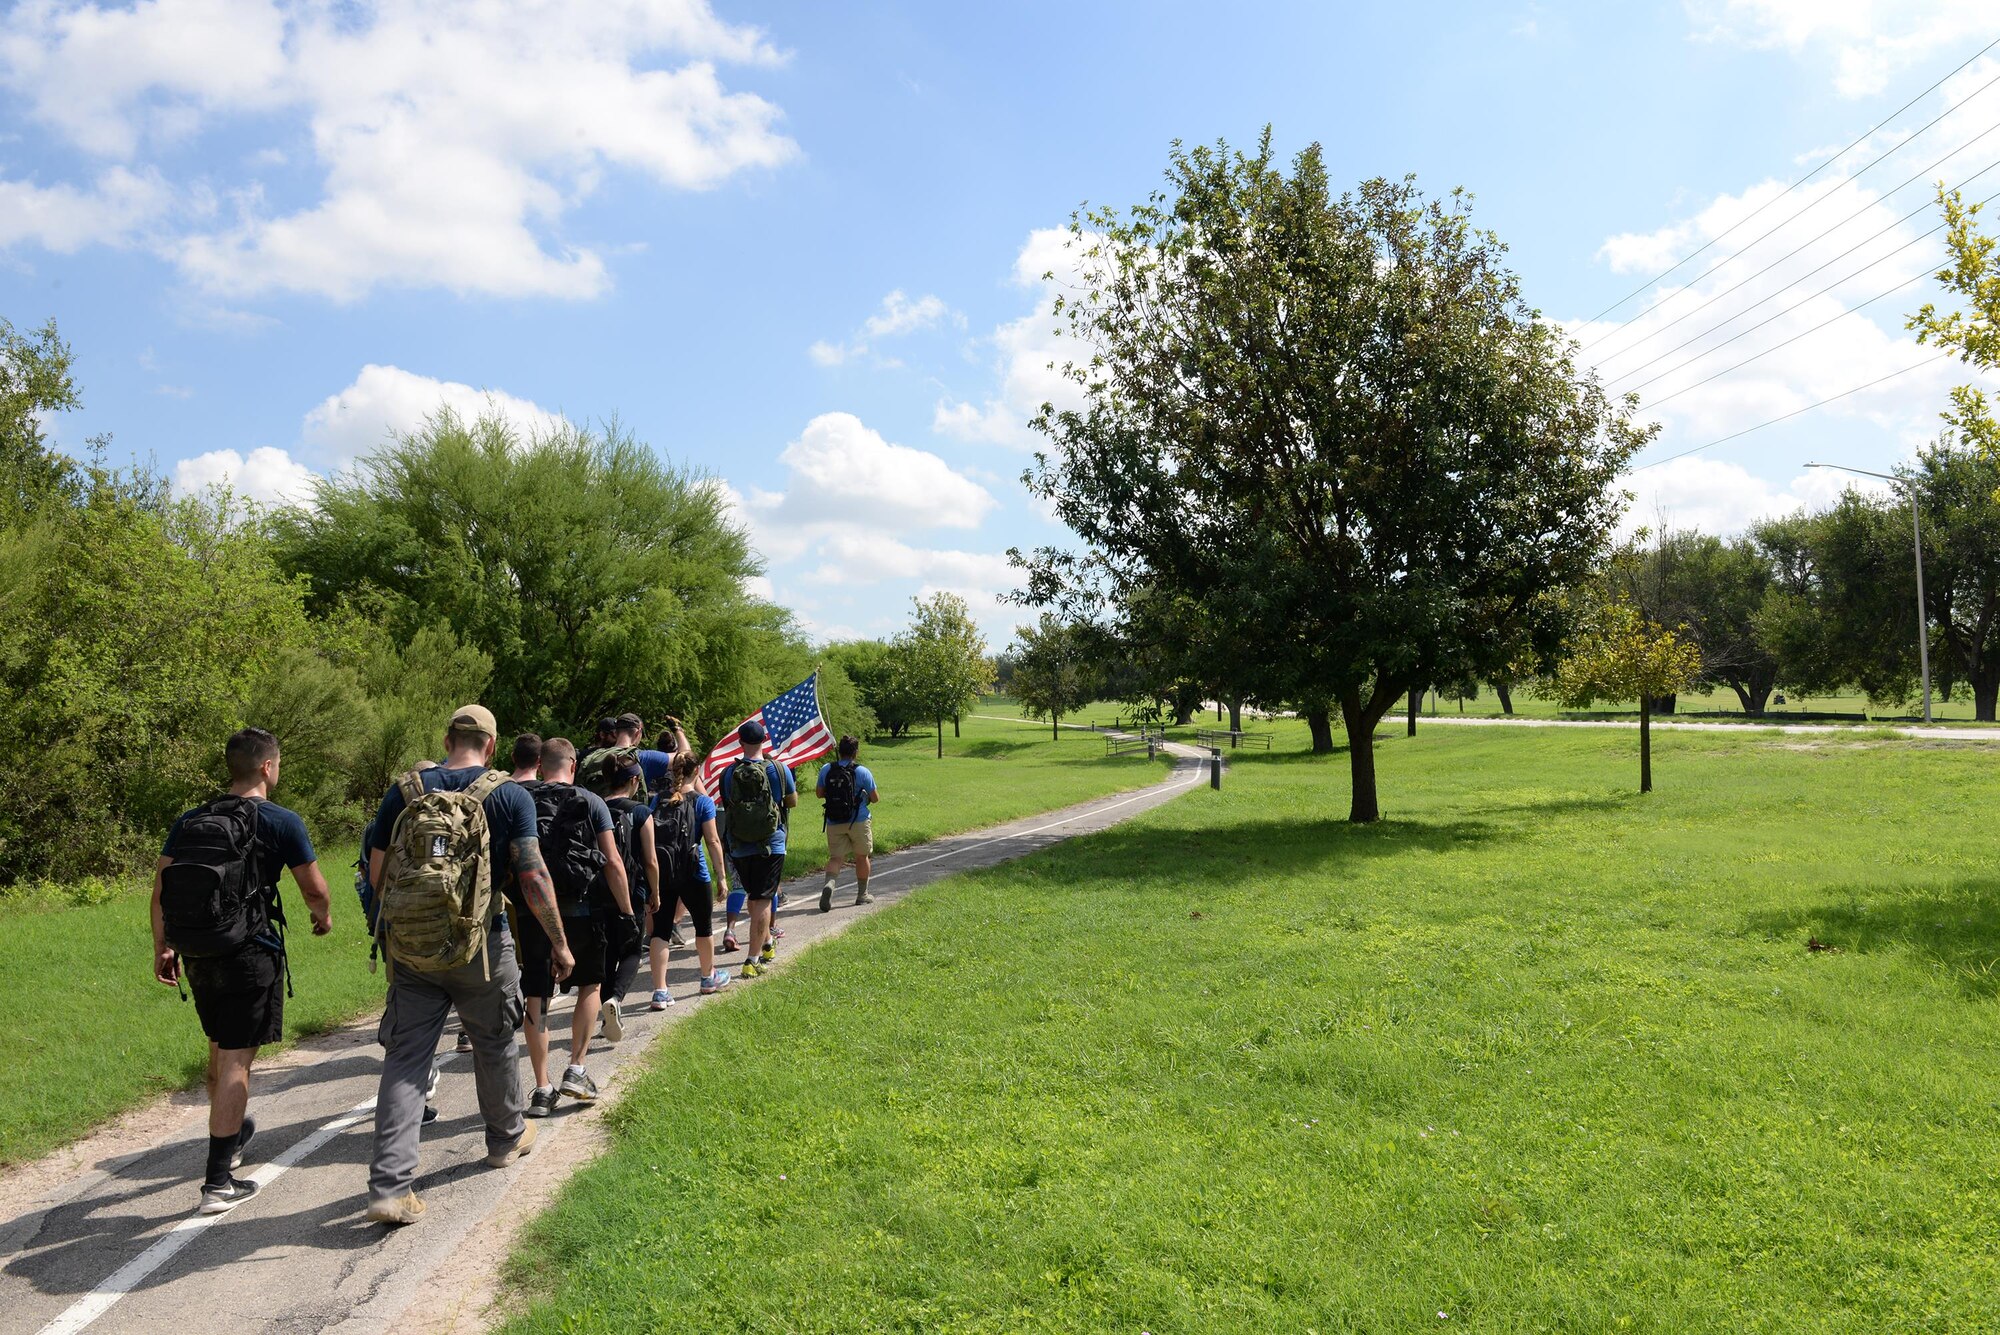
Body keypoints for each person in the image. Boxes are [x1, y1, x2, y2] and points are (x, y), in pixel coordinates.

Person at [364, 705, 571, 1227]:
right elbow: (532, 874)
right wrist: (560, 944)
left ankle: (390, 1185)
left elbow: (378, 872)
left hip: (411, 951)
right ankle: (505, 1139)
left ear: (447, 738)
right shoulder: (508, 795)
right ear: (493, 745)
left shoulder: (407, 790)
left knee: (407, 1058)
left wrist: (391, 933)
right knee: (495, 1039)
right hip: (482, 944)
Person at [153, 727, 333, 1215]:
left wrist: (163, 947)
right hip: (248, 952)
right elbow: (314, 888)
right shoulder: (281, 820)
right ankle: (217, 1183)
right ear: (268, 768)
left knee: (218, 1048)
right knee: (237, 1060)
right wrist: (323, 917)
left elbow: (161, 888)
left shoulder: (191, 819)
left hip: (198, 951)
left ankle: (230, 1137)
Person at [520, 738, 632, 1111]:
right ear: (573, 763)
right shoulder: (591, 800)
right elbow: (613, 862)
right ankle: (576, 1068)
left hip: (534, 914)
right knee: (590, 985)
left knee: (537, 994)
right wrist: (627, 911)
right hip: (583, 910)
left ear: (539, 763)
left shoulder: (521, 800)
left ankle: (541, 1087)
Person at [648, 750, 732, 1004]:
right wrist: (722, 876)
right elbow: (713, 840)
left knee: (660, 932)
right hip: (695, 872)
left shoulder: (657, 800)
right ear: (697, 772)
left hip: (663, 872)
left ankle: (660, 991)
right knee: (703, 927)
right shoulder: (702, 802)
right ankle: (708, 978)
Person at [584, 750, 656, 1040]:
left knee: (608, 952)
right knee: (632, 949)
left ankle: (605, 1017)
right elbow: (650, 860)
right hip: (632, 890)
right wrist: (655, 893)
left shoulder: (594, 808)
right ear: (634, 780)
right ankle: (615, 999)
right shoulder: (640, 812)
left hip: (598, 890)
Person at [716, 721, 796, 978]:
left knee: (754, 895)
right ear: (765, 740)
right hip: (770, 843)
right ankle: (752, 959)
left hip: (739, 844)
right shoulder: (778, 769)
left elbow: (728, 804)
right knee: (762, 898)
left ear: (740, 742)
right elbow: (791, 801)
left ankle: (767, 944)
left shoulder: (728, 774)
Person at [816, 735, 883, 912]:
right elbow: (875, 798)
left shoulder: (826, 769)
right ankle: (862, 895)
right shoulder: (862, 771)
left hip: (833, 820)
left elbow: (819, 793)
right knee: (862, 856)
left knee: (836, 858)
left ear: (840, 751)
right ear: (856, 752)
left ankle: (829, 884)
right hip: (858, 820)